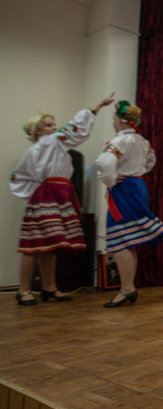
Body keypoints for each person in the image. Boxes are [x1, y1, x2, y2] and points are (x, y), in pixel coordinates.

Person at [10, 94, 116, 305]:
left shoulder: (53, 146)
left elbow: (19, 177)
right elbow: (74, 128)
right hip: (48, 196)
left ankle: (49, 287)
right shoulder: (49, 143)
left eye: (53, 124)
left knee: (51, 246)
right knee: (34, 245)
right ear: (37, 131)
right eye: (48, 125)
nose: (54, 127)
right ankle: (24, 289)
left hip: (58, 195)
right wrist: (96, 107)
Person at [95, 100, 163, 307]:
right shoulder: (142, 141)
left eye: (113, 118)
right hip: (138, 186)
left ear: (120, 119)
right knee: (130, 239)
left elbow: (103, 162)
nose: (112, 121)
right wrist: (136, 173)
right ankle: (129, 287)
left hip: (124, 189)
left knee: (120, 239)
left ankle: (127, 289)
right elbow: (151, 160)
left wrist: (111, 179)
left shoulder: (122, 140)